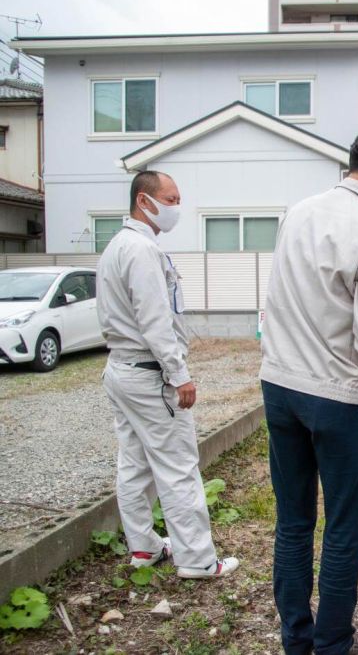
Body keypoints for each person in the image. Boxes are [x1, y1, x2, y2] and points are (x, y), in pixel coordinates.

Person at [259, 122, 358, 655]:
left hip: (280, 385)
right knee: (344, 528)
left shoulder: (297, 212)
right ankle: (333, 644)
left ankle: (296, 641)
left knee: (293, 522)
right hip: (337, 396)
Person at [97, 170, 239, 579]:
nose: (177, 207)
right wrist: (179, 374)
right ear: (145, 201)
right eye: (171, 198)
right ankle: (196, 560)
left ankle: (142, 547)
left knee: (134, 462)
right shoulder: (141, 251)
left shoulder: (115, 247)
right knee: (178, 465)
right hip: (148, 373)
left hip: (121, 369)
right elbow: (155, 319)